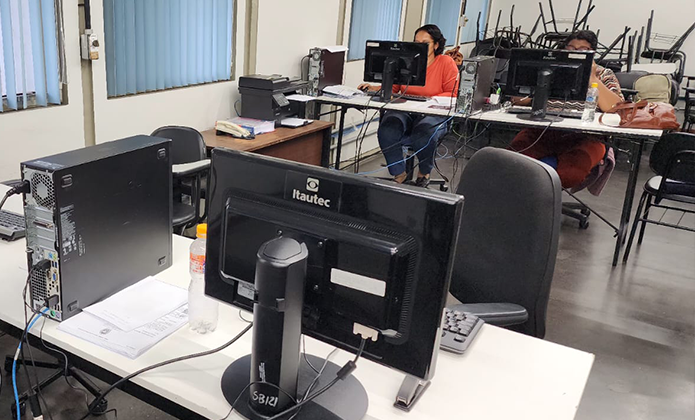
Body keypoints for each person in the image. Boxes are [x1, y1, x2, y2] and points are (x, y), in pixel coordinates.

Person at [509, 30, 624, 188]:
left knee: (571, 173)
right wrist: (535, 86)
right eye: (570, 48)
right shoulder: (550, 69)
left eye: (583, 50)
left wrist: (592, 79)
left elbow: (616, 109)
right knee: (511, 164)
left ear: (593, 53)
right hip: (542, 132)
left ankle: (544, 203)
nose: (575, 53)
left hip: (586, 137)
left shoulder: (603, 74)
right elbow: (518, 100)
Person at [358, 24, 459, 187]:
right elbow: (396, 88)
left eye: (425, 42)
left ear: (436, 45)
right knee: (388, 129)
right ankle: (399, 173)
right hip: (404, 109)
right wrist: (375, 88)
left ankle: (423, 172)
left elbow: (453, 93)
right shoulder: (406, 61)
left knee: (424, 133)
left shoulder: (445, 62)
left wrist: (429, 100)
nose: (419, 45)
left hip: (432, 113)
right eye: (416, 41)